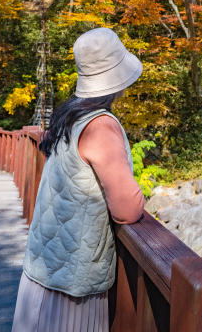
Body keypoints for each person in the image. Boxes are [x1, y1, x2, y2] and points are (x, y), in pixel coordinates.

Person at [11, 27, 145, 332]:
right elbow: (128, 209)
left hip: (44, 268)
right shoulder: (101, 126)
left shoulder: (71, 117)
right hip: (72, 281)